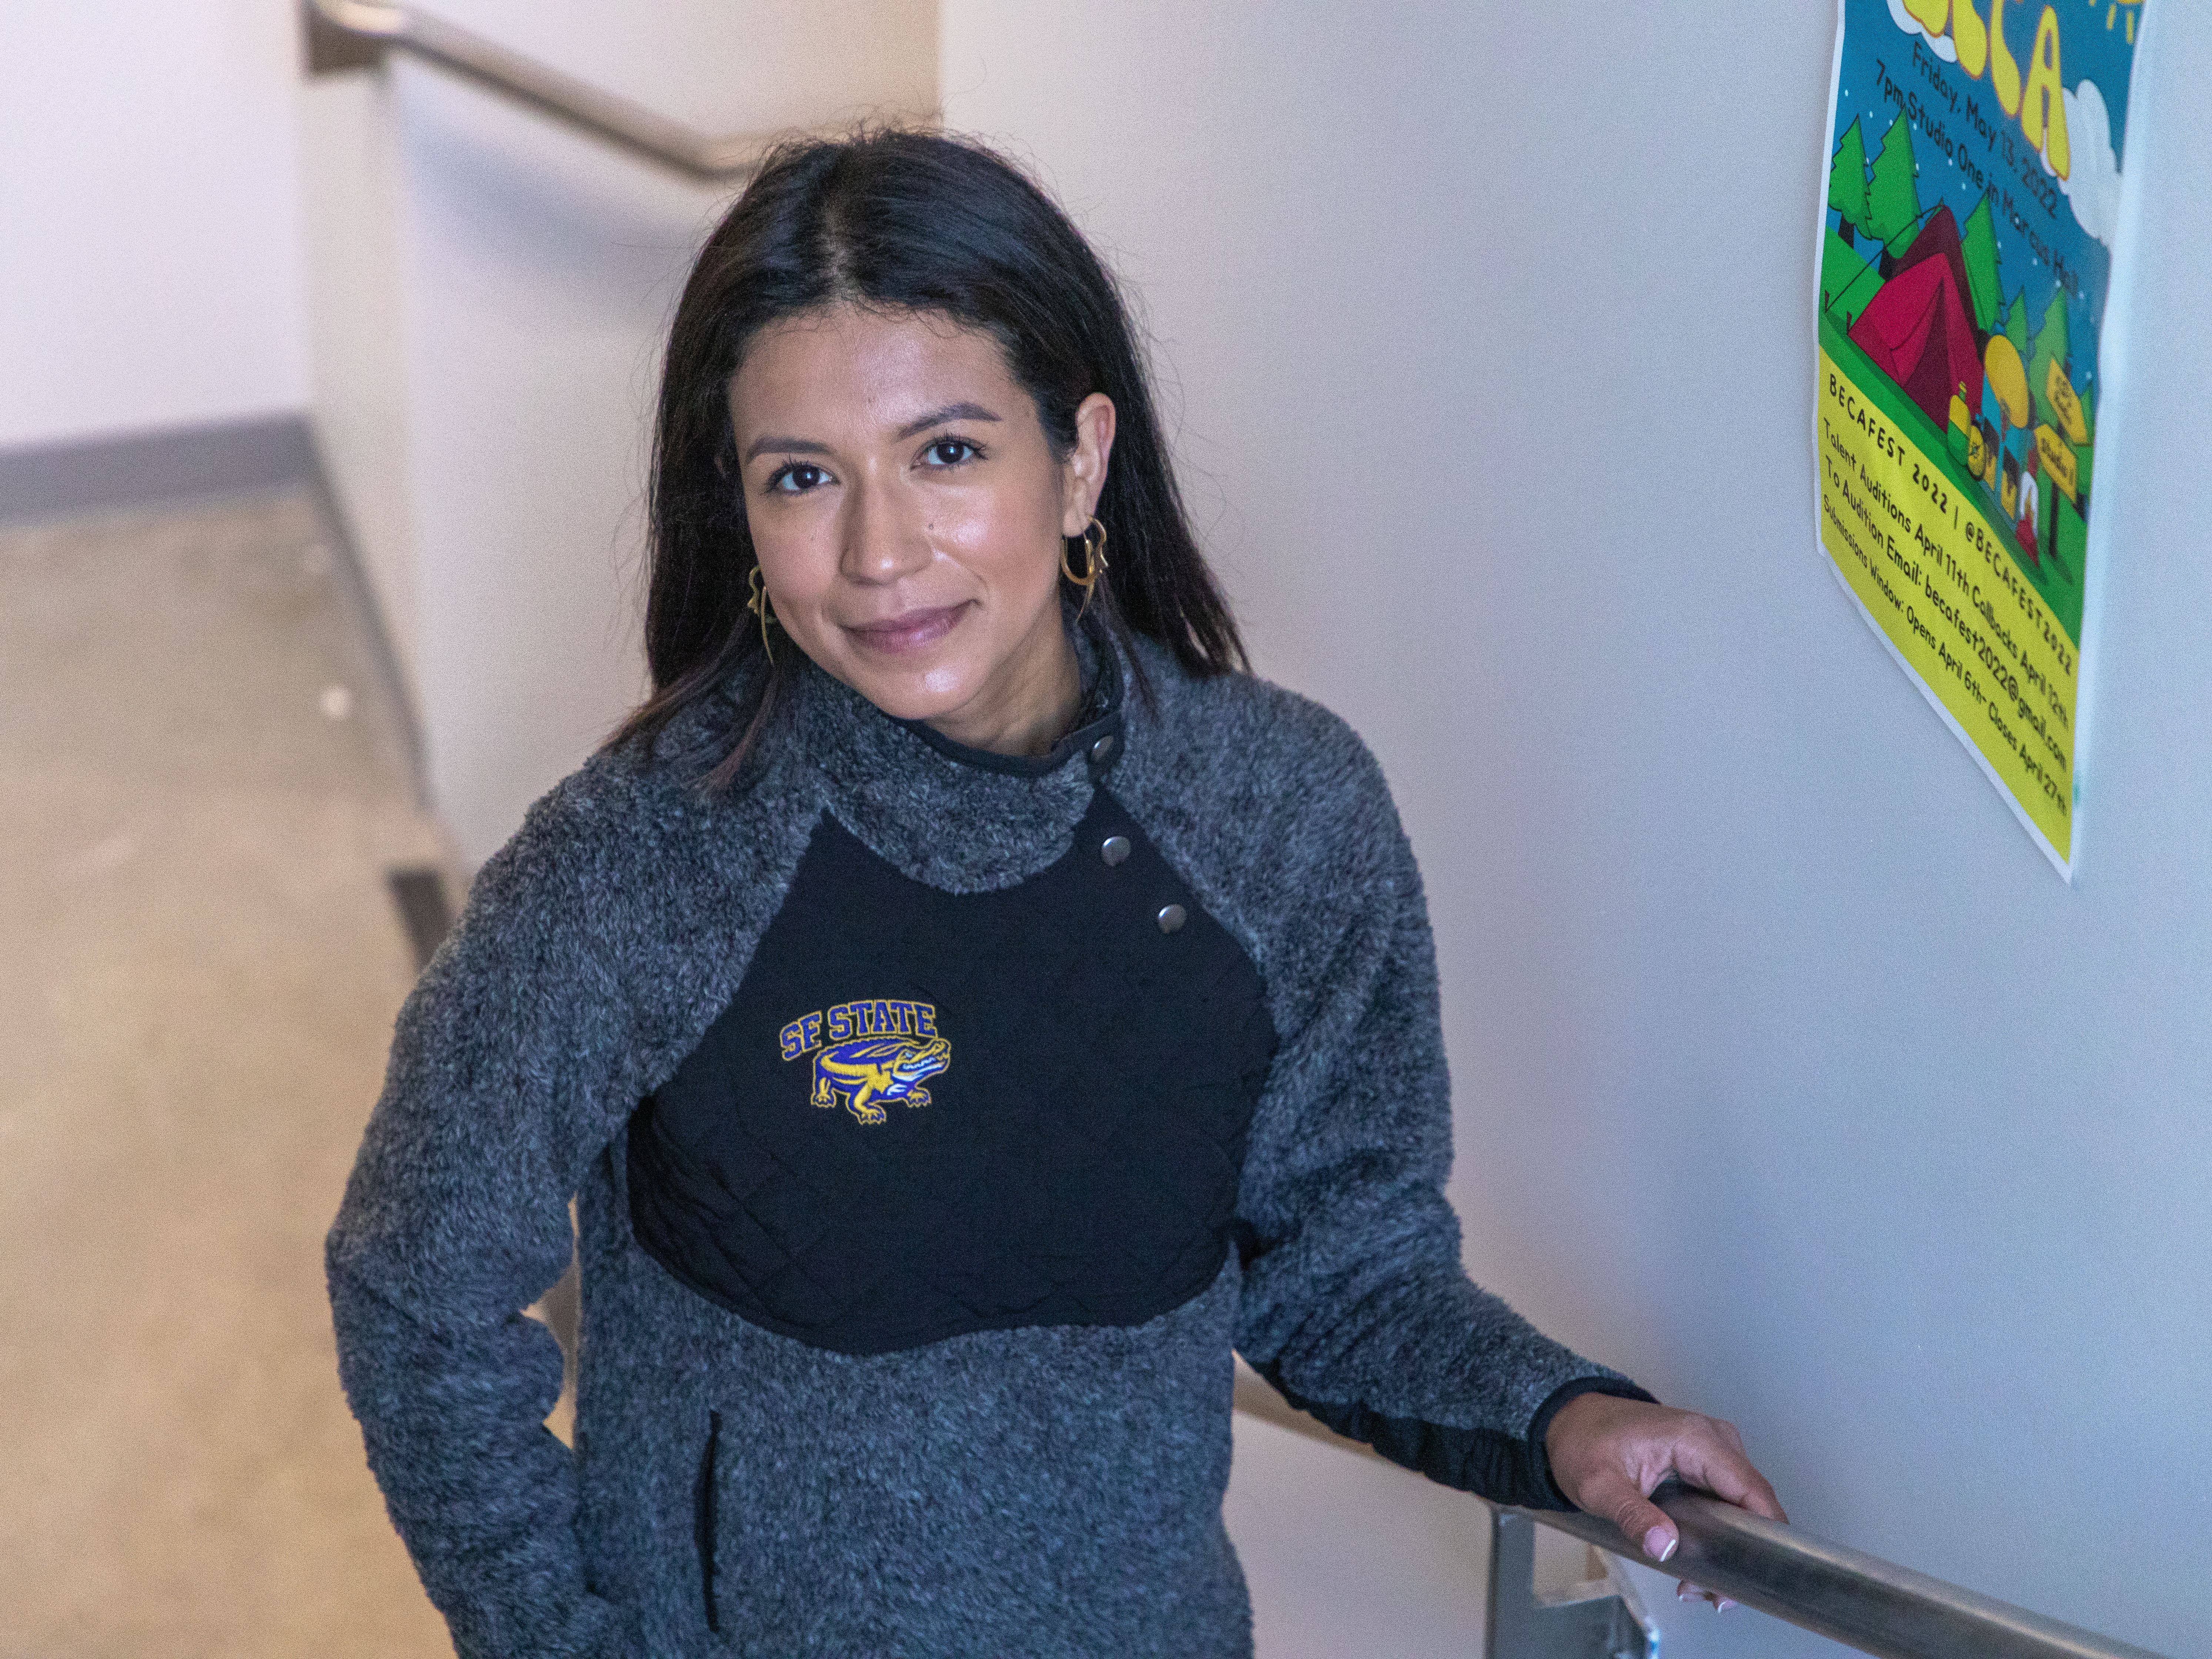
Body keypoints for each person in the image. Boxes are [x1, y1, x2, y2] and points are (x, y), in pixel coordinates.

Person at [328, 129, 1783, 1658]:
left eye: (948, 453)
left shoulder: (1282, 815)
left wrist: (1559, 1419)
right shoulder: (642, 858)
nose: (880, 551)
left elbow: (1342, 1269)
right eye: (804, 477)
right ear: (740, 509)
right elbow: (414, 1286)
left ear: (1080, 460)